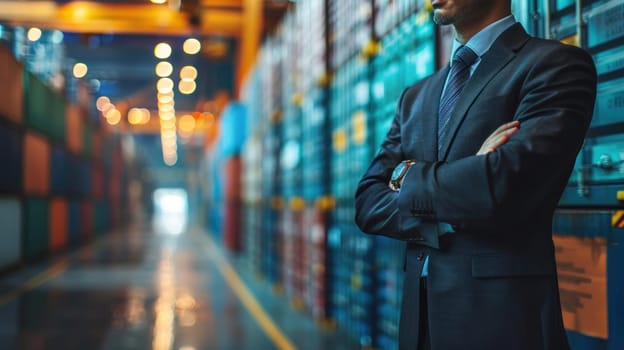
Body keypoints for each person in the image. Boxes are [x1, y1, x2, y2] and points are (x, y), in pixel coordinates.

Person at [354, 0, 597, 349]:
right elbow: (367, 202)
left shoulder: (555, 65)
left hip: (503, 326)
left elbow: (499, 188)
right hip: (417, 328)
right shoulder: (415, 97)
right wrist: (467, 178)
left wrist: (406, 176)